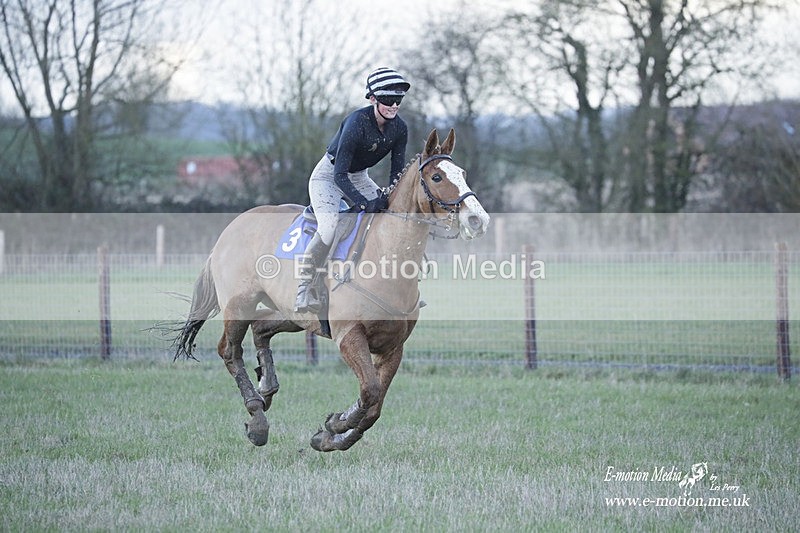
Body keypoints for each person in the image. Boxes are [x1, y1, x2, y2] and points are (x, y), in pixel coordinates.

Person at [294, 67, 411, 313]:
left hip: (358, 177)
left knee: (389, 217)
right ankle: (304, 288)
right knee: (329, 228)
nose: (394, 105)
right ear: (372, 99)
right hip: (328, 177)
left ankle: (396, 288)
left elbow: (396, 173)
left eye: (398, 100)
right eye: (388, 100)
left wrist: (387, 197)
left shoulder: (399, 128)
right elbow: (339, 175)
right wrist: (363, 203)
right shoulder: (357, 122)